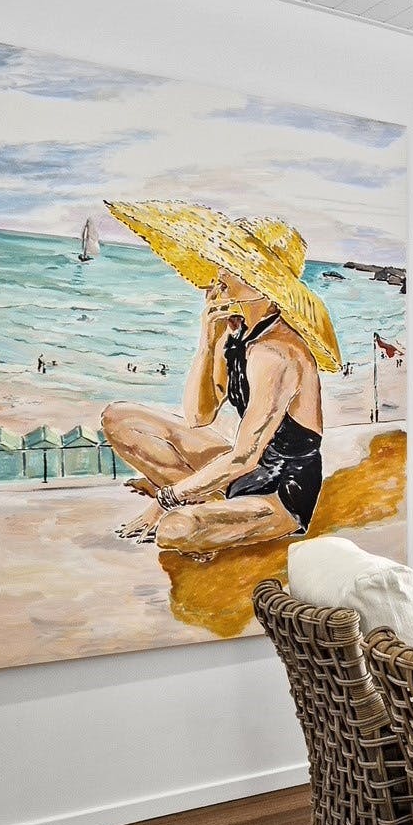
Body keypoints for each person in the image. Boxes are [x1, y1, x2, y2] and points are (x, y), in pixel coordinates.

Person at [100, 202, 340, 560]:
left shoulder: (277, 352)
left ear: (263, 283)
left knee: (175, 528)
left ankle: (204, 505)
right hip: (246, 469)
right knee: (119, 418)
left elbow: (244, 456)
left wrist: (167, 498)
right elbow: (199, 416)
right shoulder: (239, 332)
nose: (220, 271)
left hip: (280, 492)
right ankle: (208, 499)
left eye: (235, 264)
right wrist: (208, 339)